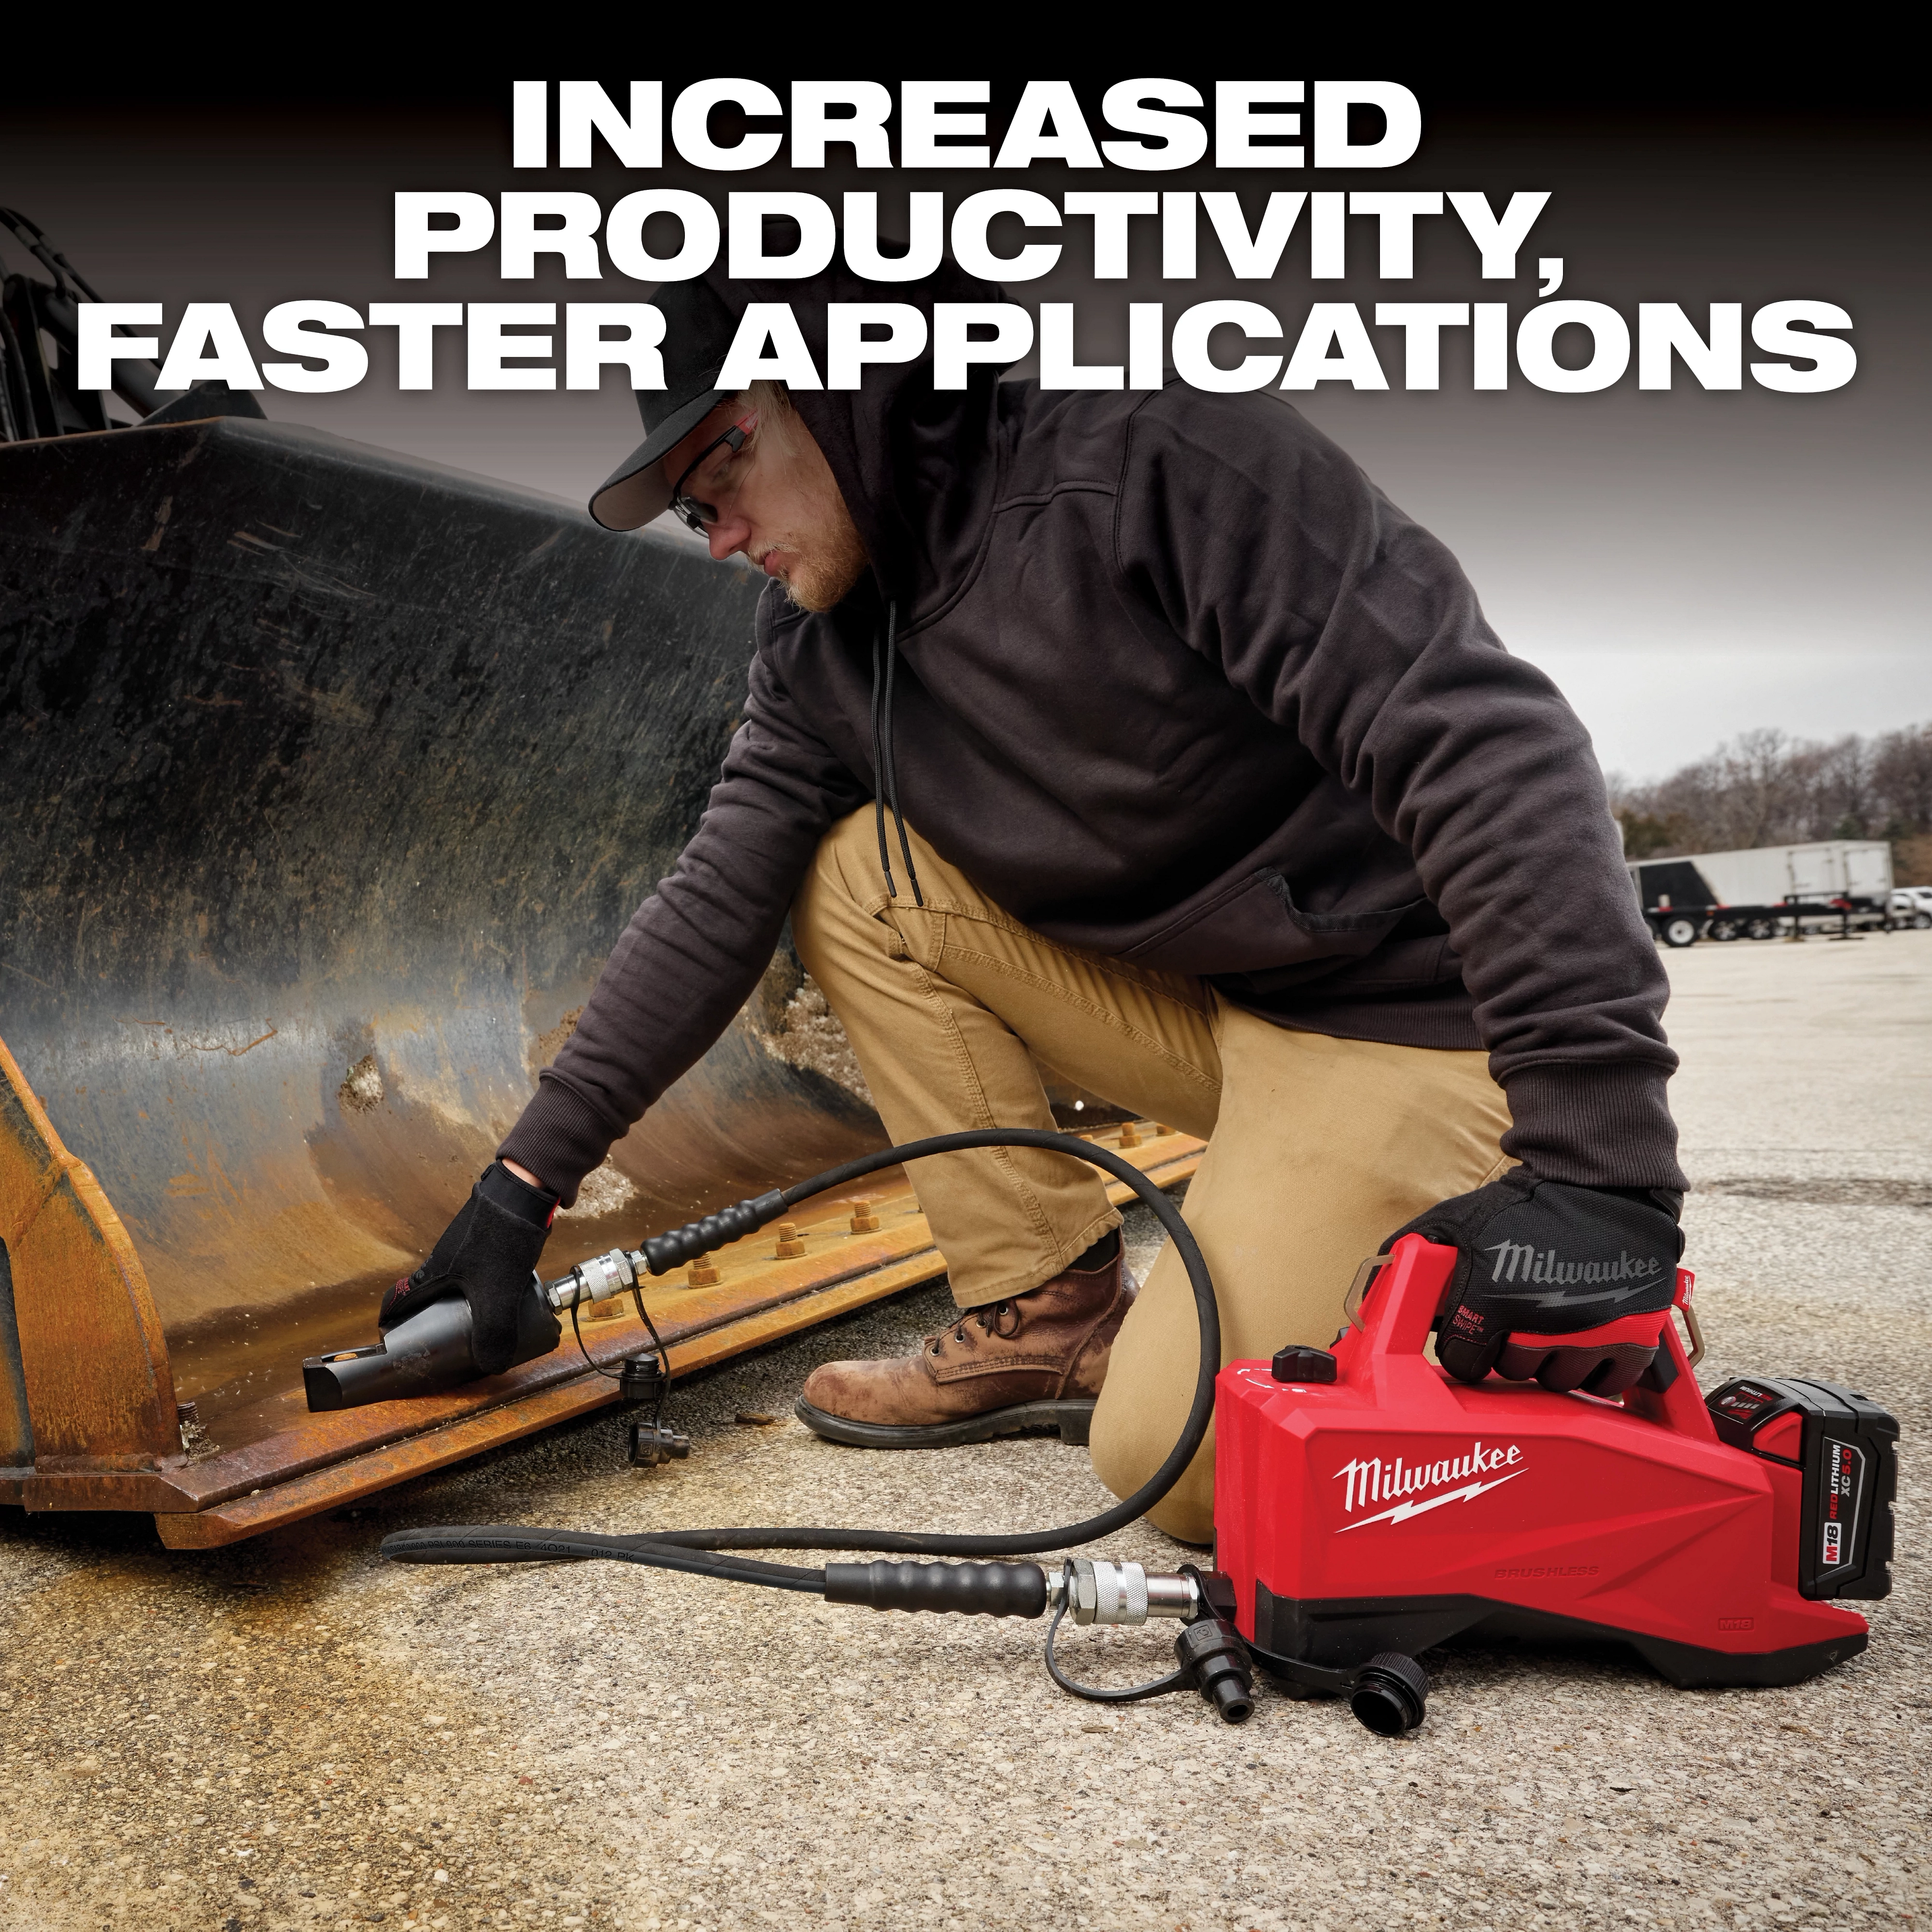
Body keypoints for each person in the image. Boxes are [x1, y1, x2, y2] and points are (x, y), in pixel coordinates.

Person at [380, 263, 1685, 1542]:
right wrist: (518, 1191)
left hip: (1406, 1031)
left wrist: (1600, 1173)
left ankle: (1479, 1275)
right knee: (851, 874)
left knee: (1182, 1466)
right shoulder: (819, 646)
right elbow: (716, 893)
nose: (718, 531)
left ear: (841, 385)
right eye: (687, 507)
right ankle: (1050, 1317)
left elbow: (1490, 746)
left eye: (723, 467)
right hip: (1221, 1019)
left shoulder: (1159, 456)